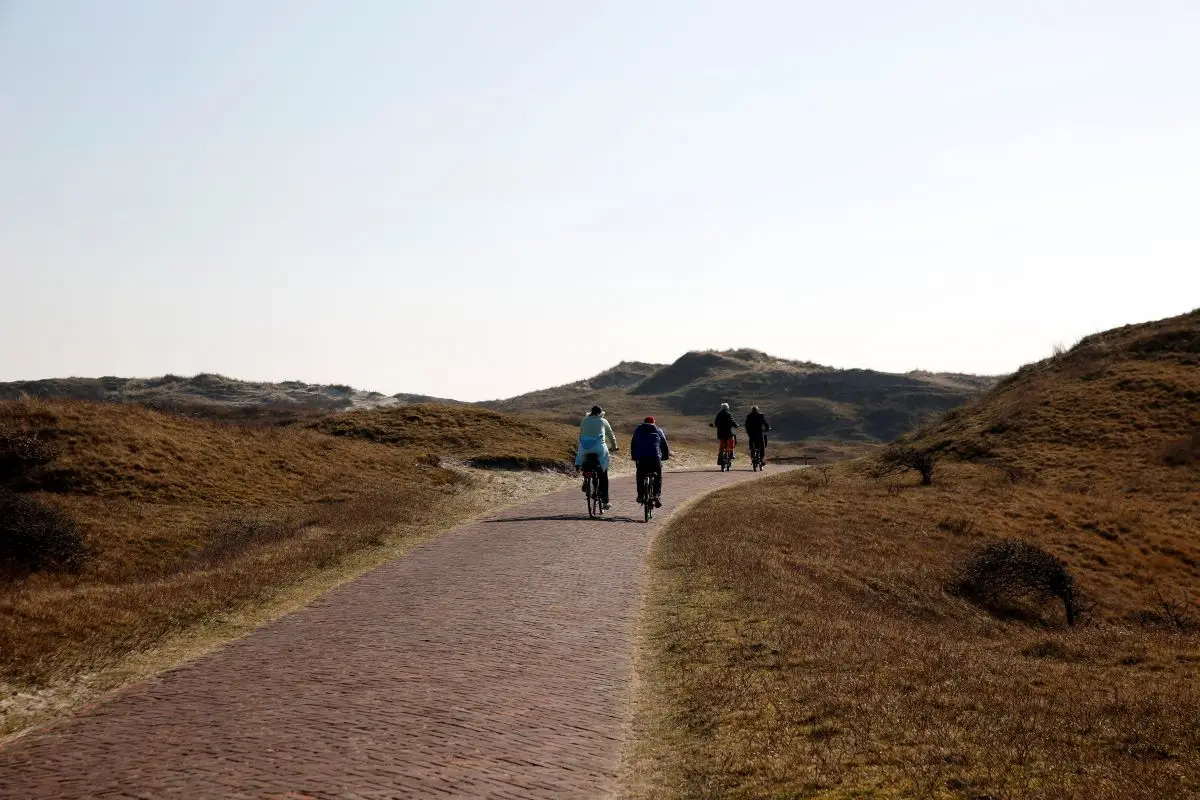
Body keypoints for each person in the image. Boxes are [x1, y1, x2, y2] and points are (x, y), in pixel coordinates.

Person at [575, 405, 617, 509]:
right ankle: (605, 501)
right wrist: (614, 446)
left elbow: (581, 435)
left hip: (584, 447)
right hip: (599, 448)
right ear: (600, 413)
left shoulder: (584, 420)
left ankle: (586, 477)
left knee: (581, 459)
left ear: (591, 412)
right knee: (603, 474)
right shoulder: (603, 421)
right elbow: (610, 434)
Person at [630, 416, 670, 507]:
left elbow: (633, 444)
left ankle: (640, 496)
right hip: (655, 458)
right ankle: (656, 495)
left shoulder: (638, 430)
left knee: (640, 475)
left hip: (641, 459)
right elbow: (664, 445)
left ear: (643, 423)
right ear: (654, 423)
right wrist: (665, 457)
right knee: (658, 476)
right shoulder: (658, 431)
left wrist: (634, 457)